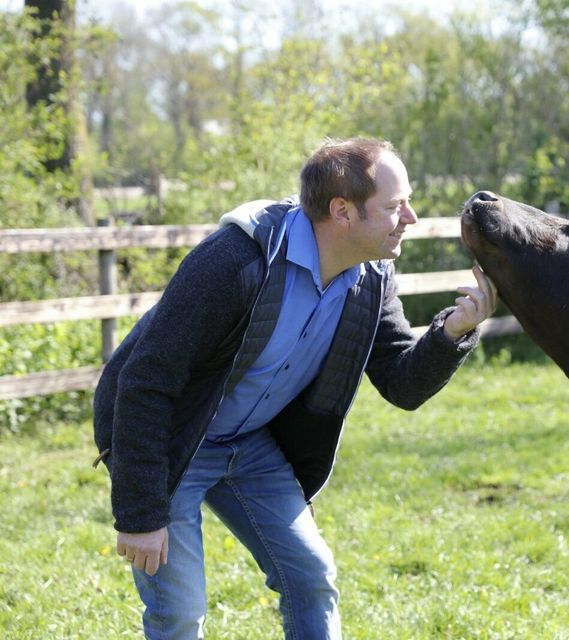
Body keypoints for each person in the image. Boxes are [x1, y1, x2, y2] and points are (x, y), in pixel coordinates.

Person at [92, 137, 497, 639]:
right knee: (180, 612)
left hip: (251, 447)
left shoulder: (372, 275)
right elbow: (145, 379)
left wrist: (452, 332)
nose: (410, 217)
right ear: (343, 211)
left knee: (312, 578)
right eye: (395, 206)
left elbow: (400, 381)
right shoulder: (237, 259)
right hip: (175, 442)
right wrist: (140, 512)